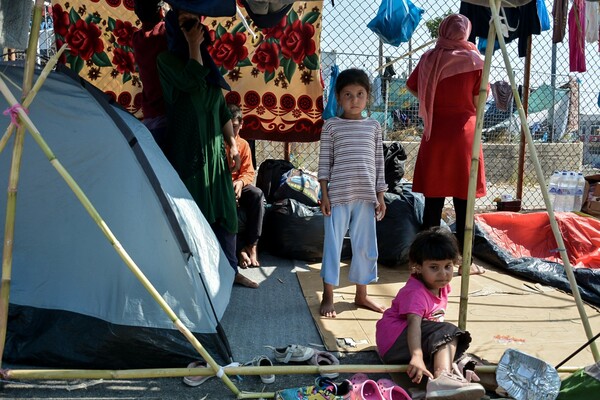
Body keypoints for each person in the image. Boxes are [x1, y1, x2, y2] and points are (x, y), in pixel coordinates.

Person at [157, 7, 258, 288]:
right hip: (189, 152)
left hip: (214, 153)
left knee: (226, 211)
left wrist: (233, 145)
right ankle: (195, 280)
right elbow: (191, 80)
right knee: (194, 214)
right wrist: (192, 46)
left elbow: (220, 110)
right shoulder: (166, 61)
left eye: (194, 22)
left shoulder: (209, 63)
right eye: (184, 23)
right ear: (174, 29)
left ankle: (229, 271)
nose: (192, 27)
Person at [405, 13, 487, 275]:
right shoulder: (475, 60)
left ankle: (427, 263)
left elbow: (412, 86)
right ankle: (466, 263)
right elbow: (477, 102)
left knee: (433, 202)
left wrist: (431, 102)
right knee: (464, 203)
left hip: (435, 132)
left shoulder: (429, 57)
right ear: (466, 32)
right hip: (464, 133)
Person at [375, 228, 486, 400]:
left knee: (465, 360)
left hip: (412, 341)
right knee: (448, 332)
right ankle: (442, 380)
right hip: (395, 340)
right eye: (434, 267)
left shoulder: (441, 286)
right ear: (417, 267)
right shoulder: (416, 293)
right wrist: (417, 356)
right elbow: (414, 326)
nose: (443, 274)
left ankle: (429, 388)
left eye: (448, 266)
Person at [317, 68, 388, 318]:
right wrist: (324, 194)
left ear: (368, 97)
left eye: (360, 94)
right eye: (348, 94)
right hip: (337, 197)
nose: (354, 100)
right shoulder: (331, 127)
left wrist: (381, 195)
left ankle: (362, 295)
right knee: (333, 247)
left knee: (365, 246)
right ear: (338, 97)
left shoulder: (374, 127)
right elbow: (324, 163)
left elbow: (379, 164)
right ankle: (328, 295)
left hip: (366, 197)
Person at [226, 103, 265, 268]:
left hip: (240, 185)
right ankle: (240, 249)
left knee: (257, 195)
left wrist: (240, 182)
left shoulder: (243, 145)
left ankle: (252, 245)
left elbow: (249, 172)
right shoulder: (218, 144)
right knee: (226, 205)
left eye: (235, 127)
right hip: (223, 187)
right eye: (228, 127)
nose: (232, 131)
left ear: (241, 125)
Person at [132, 0, 168, 151]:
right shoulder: (165, 32)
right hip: (167, 115)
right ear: (161, 12)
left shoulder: (137, 38)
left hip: (149, 115)